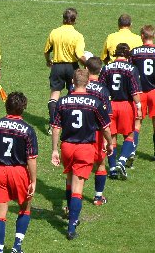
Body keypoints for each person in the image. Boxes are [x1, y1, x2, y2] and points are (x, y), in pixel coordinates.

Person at [51, 69, 113, 240]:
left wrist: (55, 149)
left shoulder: (63, 101)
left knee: (70, 180)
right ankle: (72, 226)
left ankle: (70, 212)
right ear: (87, 83)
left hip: (67, 147)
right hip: (85, 147)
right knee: (78, 189)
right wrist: (109, 142)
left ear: (72, 81)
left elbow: (56, 127)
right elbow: (105, 127)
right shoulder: (94, 102)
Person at [0, 92, 37, 253]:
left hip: (0, 171)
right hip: (19, 172)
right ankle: (17, 246)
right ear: (24, 109)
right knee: (25, 208)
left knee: (0, 214)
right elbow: (31, 159)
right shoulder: (28, 130)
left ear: (6, 106)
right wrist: (33, 181)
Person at [99, 43, 142, 179]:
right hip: (126, 105)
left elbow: (102, 89)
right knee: (129, 135)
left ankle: (112, 168)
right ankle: (122, 161)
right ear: (127, 55)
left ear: (115, 53)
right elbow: (134, 91)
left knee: (111, 137)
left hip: (110, 105)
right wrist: (139, 106)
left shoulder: (106, 68)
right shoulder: (131, 68)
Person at [44, 8, 86, 135]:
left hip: (57, 67)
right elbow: (79, 55)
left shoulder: (54, 32)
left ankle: (53, 124)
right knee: (72, 95)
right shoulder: (77, 36)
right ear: (75, 20)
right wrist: (88, 65)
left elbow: (46, 51)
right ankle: (69, 122)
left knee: (54, 94)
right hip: (72, 67)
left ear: (63, 18)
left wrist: (48, 61)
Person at [85, 57, 113, 205]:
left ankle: (72, 200)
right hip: (97, 132)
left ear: (86, 69)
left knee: (78, 169)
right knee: (100, 164)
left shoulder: (78, 86)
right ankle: (98, 197)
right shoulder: (103, 90)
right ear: (100, 70)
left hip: (80, 133)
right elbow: (107, 116)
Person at [130, 25, 155, 161]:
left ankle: (132, 150)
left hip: (139, 92)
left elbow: (130, 72)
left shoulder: (134, 52)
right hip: (154, 91)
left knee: (137, 122)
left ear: (142, 36)